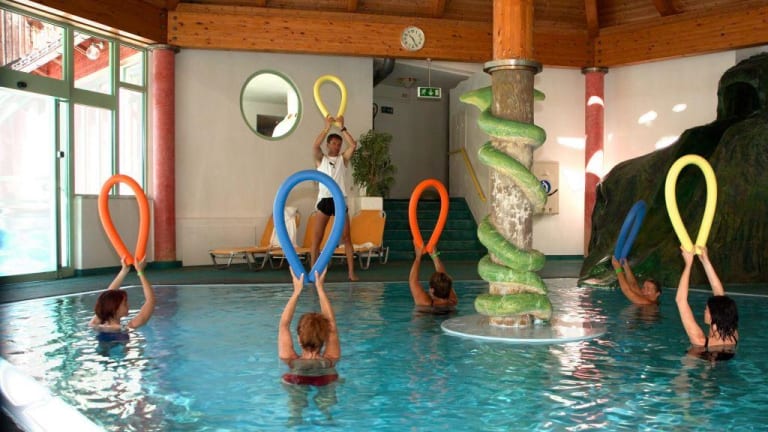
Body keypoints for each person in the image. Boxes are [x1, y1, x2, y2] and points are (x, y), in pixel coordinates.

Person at [311, 115, 359, 281]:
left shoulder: (342, 159)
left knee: (346, 238)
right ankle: (314, 273)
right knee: (317, 238)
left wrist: (342, 127)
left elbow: (353, 145)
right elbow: (315, 145)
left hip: (339, 200)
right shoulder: (321, 159)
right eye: (334, 144)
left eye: (339, 144)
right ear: (328, 145)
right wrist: (326, 127)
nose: (337, 147)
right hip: (325, 200)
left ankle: (351, 273)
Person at [676, 246, 739, 361]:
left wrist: (688, 265)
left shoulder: (700, 340)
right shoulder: (732, 335)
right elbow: (719, 296)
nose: (704, 311)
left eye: (706, 309)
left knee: (689, 357)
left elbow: (680, 300)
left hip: (699, 367)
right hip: (718, 363)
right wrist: (705, 261)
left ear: (712, 316)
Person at [279, 268, 340, 386]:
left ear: (299, 339)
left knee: (293, 391)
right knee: (329, 394)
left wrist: (296, 292)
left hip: (296, 378)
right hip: (326, 377)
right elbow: (331, 324)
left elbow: (284, 325)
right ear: (324, 338)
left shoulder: (289, 359)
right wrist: (320, 288)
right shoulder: (332, 358)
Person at [89, 258, 156, 335]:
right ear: (115, 309)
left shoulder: (94, 325)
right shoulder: (127, 328)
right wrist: (140, 272)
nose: (128, 305)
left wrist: (124, 270)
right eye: (125, 303)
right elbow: (151, 301)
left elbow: (107, 298)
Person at [408, 245, 457, 312]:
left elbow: (412, 281)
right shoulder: (453, 301)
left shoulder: (425, 303)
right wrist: (434, 256)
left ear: (432, 290)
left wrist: (418, 257)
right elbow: (443, 278)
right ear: (449, 289)